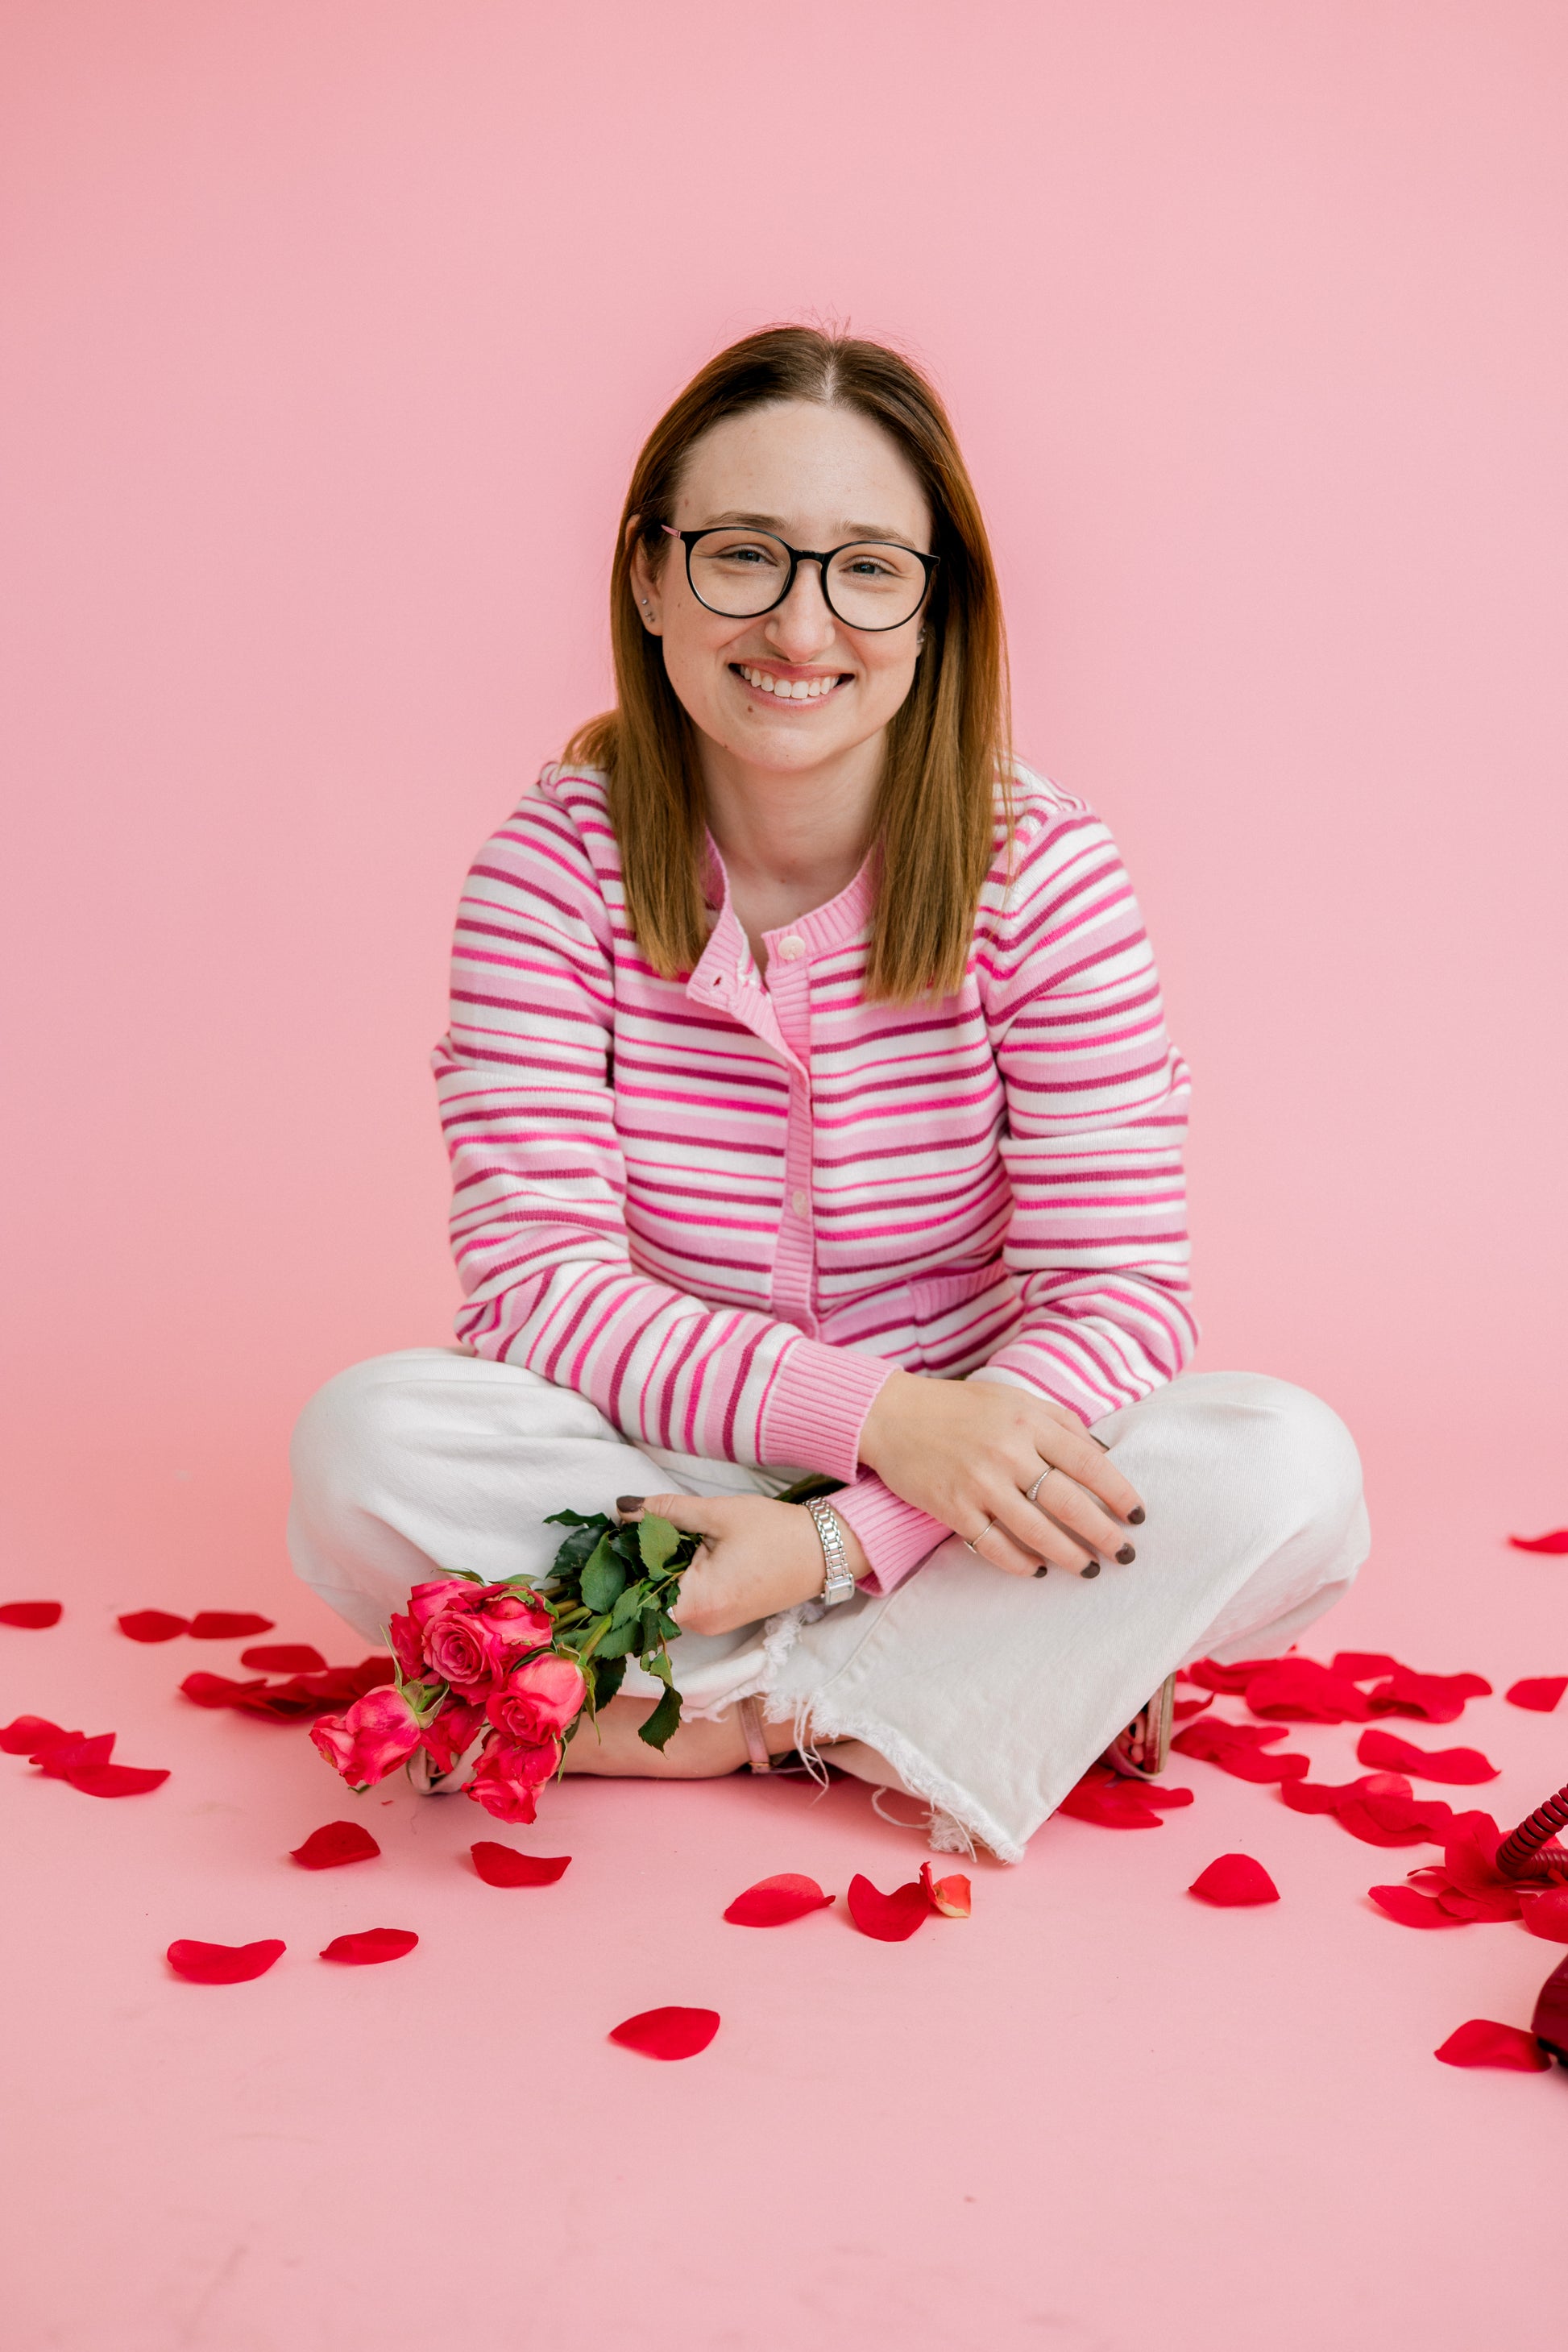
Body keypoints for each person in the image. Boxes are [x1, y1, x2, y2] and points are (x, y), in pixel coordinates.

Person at [287, 326, 1367, 1860]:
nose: (802, 624)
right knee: (368, 1445)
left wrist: (840, 1531)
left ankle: (722, 1716)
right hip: (653, 1453)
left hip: (972, 1474)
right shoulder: (549, 871)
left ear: (934, 609)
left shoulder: (1040, 871)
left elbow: (1116, 1293)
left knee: (1286, 1468)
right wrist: (867, 1417)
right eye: (743, 556)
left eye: (867, 567)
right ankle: (939, 1704)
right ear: (651, 580)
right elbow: (536, 1288)